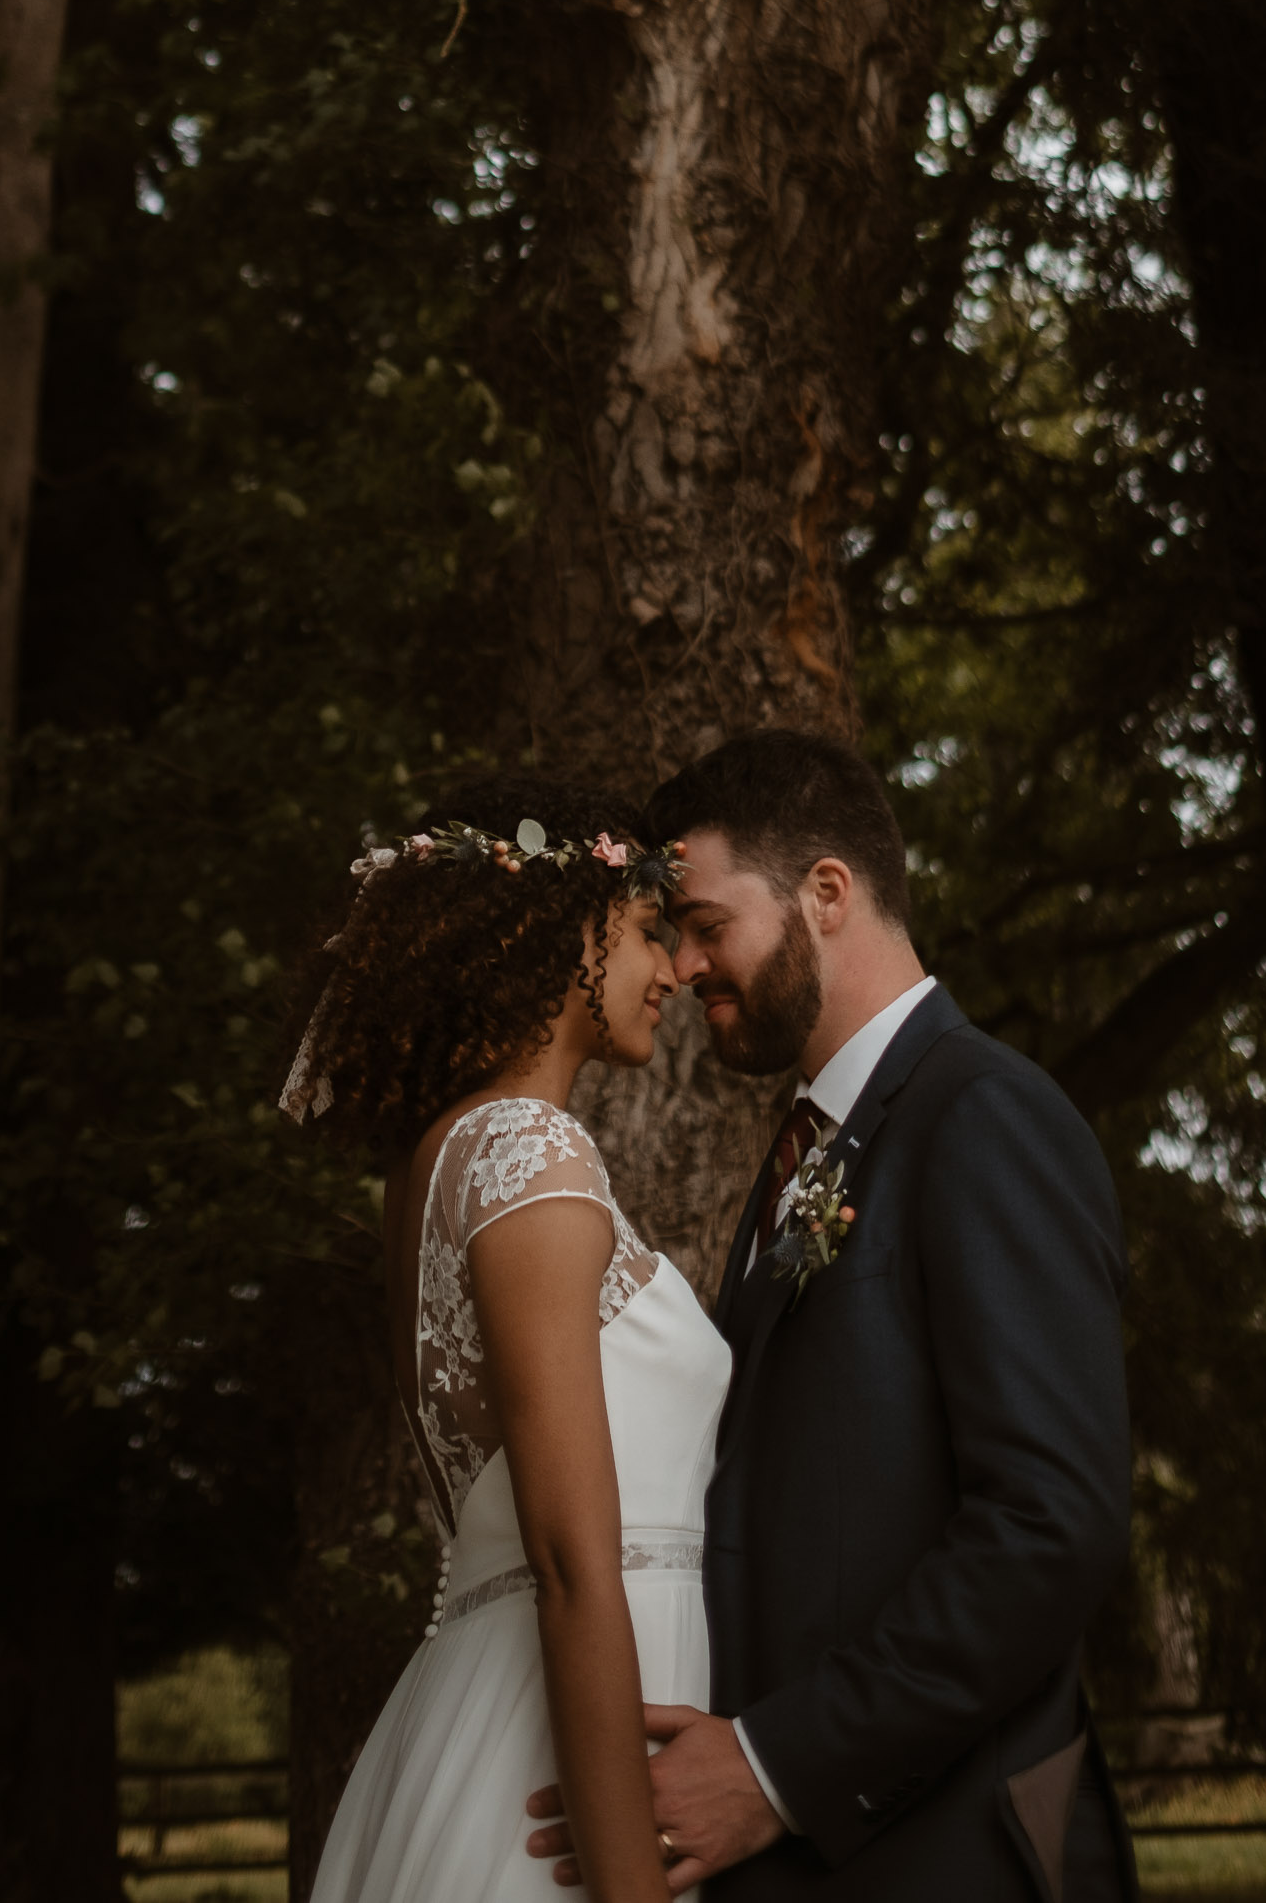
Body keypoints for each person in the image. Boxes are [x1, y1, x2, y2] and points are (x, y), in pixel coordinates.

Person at [527, 727, 1138, 1902]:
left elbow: (1049, 1522)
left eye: (707, 926)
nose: (688, 963)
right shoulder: (810, 1147)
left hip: (947, 1850)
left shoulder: (982, 1116)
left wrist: (773, 1766)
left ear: (824, 892)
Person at [281, 775, 732, 1903]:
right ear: (556, 928)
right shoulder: (527, 1148)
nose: (673, 970)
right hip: (554, 1770)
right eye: (644, 931)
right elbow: (575, 1561)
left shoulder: (441, 1162)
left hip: (485, 1716)